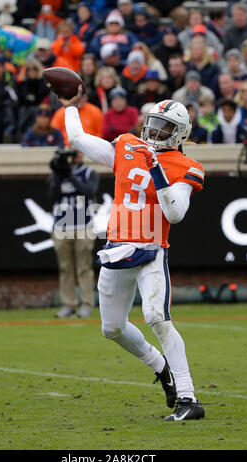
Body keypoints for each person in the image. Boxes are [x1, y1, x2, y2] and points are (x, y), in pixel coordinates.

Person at [60, 85, 206, 421]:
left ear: (179, 134)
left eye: (165, 127)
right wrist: (70, 105)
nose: (155, 131)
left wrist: (156, 167)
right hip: (116, 249)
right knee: (111, 328)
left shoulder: (186, 165)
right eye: (153, 122)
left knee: (157, 316)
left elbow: (175, 214)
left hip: (151, 250)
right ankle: (160, 366)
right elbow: (79, 139)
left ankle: (189, 399)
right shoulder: (127, 145)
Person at [50, 147, 99, 318]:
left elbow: (89, 193)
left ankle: (86, 303)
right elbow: (53, 196)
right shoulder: (59, 172)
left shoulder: (89, 173)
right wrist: (59, 173)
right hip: (62, 226)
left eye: (78, 152)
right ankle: (68, 304)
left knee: (83, 267)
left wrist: (70, 175)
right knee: (65, 268)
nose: (75, 156)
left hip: (83, 224)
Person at [16, 57, 49, 139]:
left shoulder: (43, 83)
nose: (31, 72)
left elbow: (43, 98)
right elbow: (20, 100)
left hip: (39, 107)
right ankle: (21, 135)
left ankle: (30, 135)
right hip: (25, 108)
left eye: (34, 69)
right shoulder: (22, 84)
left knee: (34, 110)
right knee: (23, 110)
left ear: (38, 70)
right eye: (29, 70)